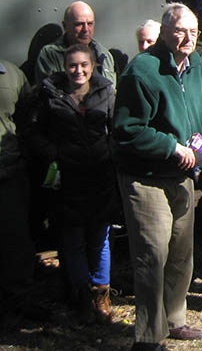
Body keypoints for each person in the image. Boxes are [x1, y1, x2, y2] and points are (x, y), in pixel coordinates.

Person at [112, 3, 202, 350]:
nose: (188, 36)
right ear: (165, 32)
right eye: (180, 30)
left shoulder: (198, 70)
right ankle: (149, 336)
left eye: (193, 31)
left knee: (180, 253)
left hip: (185, 176)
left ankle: (175, 319)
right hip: (146, 176)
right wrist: (173, 147)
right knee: (152, 255)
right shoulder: (143, 71)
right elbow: (127, 130)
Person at [23, 44, 117, 323]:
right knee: (73, 239)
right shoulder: (50, 94)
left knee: (100, 239)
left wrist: (108, 151)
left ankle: (102, 293)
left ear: (93, 66)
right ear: (64, 67)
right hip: (67, 179)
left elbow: (117, 128)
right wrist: (54, 153)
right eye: (73, 65)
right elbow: (34, 132)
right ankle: (82, 295)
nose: (79, 71)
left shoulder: (105, 92)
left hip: (100, 177)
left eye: (84, 65)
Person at [0, 58, 37, 322]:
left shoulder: (11, 74)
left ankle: (19, 301)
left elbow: (28, 116)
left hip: (7, 171)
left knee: (15, 240)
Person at [35, 1, 116, 86]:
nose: (86, 29)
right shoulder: (50, 55)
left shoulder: (104, 55)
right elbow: (49, 92)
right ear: (65, 26)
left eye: (90, 24)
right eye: (79, 24)